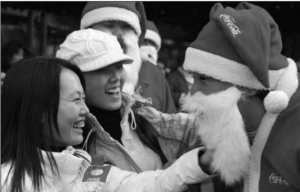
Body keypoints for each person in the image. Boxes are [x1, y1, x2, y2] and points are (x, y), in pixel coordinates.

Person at [1, 56, 214, 192]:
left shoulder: (84, 162)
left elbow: (137, 185)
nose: (116, 78)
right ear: (38, 108)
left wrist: (200, 162)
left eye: (119, 67)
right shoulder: (8, 180)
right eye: (76, 99)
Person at [56, 29, 224, 192]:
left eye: (119, 66)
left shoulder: (139, 116)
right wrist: (194, 166)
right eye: (103, 69)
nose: (117, 77)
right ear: (73, 80)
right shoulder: (75, 148)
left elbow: (189, 127)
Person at [180, 2, 300, 192]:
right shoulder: (218, 126)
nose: (192, 92)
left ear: (249, 86)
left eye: (203, 79)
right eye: (192, 78)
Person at [80, 1, 177, 113]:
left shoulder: (154, 74)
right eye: (109, 25)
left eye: (126, 26)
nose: (118, 33)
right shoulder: (73, 72)